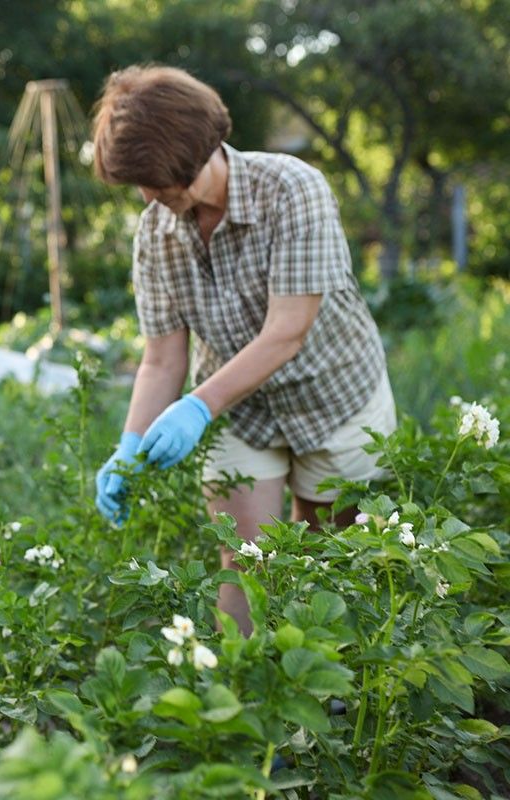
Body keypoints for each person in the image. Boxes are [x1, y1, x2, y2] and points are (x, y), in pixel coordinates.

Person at [90, 65, 394, 634]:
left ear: (191, 156)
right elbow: (162, 358)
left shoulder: (293, 190)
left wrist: (197, 406)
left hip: (335, 396)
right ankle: (238, 701)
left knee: (331, 559)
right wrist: (130, 444)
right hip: (240, 411)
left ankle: (325, 697)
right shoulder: (156, 231)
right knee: (248, 562)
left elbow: (287, 331)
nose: (147, 195)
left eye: (153, 180)